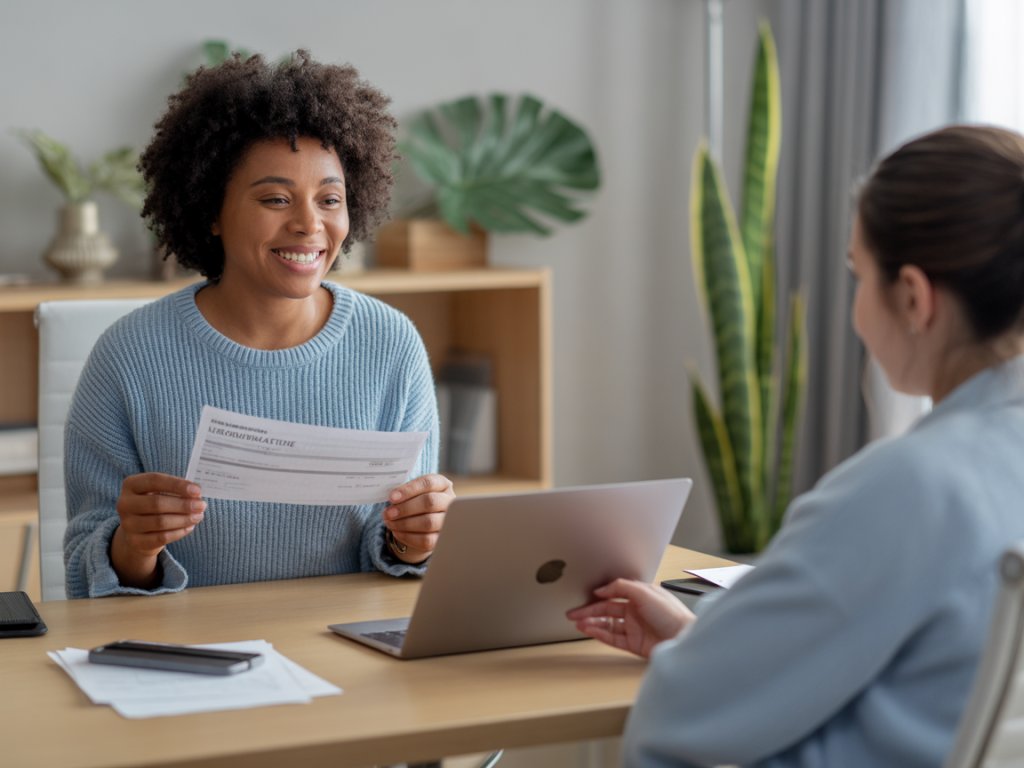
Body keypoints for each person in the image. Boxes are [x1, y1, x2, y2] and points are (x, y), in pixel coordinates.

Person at [568, 125, 1024, 767]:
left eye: (858, 275)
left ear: (915, 298)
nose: (857, 308)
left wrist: (690, 669)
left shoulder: (910, 487)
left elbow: (675, 723)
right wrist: (699, 644)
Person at [63, 52, 453, 599]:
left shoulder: (391, 344)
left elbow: (397, 554)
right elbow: (84, 567)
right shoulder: (129, 354)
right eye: (275, 199)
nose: (308, 224)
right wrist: (133, 546)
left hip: (342, 649)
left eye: (330, 199)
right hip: (187, 654)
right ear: (211, 212)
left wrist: (415, 539)